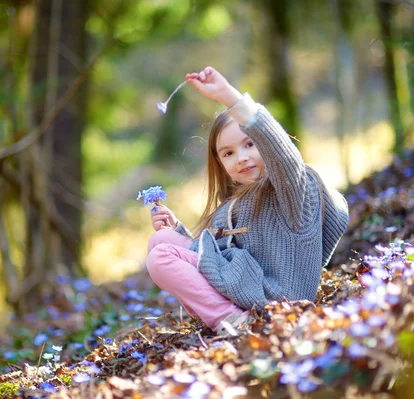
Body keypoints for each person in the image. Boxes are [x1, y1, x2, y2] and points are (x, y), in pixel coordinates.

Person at [145, 66, 349, 334]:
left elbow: (284, 156)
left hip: (275, 297)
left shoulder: (291, 192)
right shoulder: (235, 205)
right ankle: (223, 313)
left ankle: (232, 321)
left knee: (160, 257)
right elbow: (219, 251)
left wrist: (230, 98)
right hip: (245, 283)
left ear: (266, 144)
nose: (240, 157)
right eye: (228, 153)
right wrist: (178, 231)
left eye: (249, 144)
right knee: (161, 240)